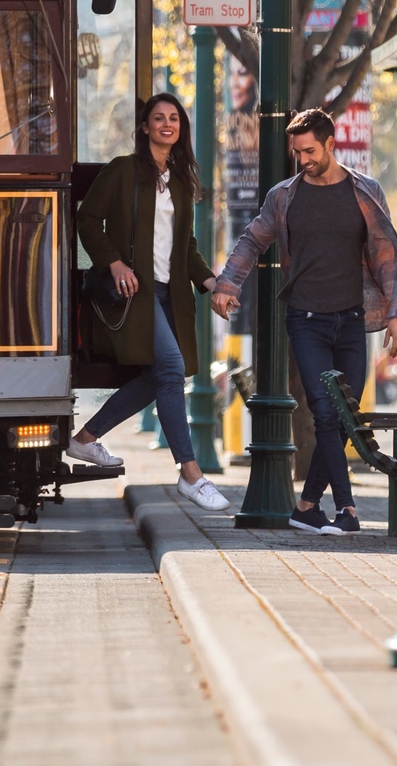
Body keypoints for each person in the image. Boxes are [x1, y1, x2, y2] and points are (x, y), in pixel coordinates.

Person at [212, 108, 397, 535]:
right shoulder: (284, 196)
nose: (302, 159)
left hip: (352, 320)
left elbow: (387, 254)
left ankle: (305, 507)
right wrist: (228, 283)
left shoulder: (365, 191)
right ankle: (348, 510)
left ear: (331, 144)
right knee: (324, 410)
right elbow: (252, 239)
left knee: (345, 416)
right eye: (297, 152)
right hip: (305, 319)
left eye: (310, 151)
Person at [68, 93, 231, 512]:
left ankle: (85, 439)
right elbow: (86, 218)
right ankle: (191, 474)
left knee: (158, 377)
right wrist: (115, 263)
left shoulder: (180, 180)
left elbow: (187, 247)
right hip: (133, 297)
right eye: (158, 118)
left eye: (174, 118)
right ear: (144, 127)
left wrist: (213, 283)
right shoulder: (123, 170)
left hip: (169, 295)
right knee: (172, 369)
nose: (166, 124)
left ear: (181, 128)